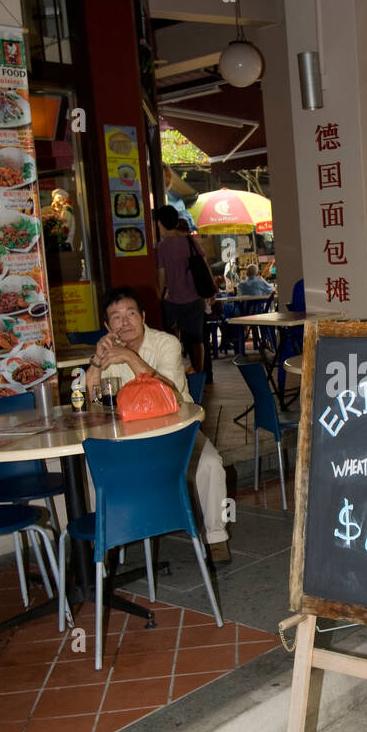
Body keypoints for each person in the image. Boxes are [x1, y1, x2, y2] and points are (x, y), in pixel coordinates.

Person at [85, 288, 231, 562]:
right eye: (116, 317)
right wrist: (96, 361)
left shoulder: (167, 344)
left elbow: (170, 393)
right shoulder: (108, 350)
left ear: (143, 316)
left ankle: (216, 537)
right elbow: (90, 400)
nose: (125, 322)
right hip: (129, 437)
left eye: (130, 314)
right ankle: (106, 540)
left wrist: (129, 357)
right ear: (107, 326)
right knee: (93, 466)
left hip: (177, 431)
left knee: (211, 464)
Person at [154, 205, 213, 374]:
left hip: (173, 301)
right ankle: (199, 373)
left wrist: (158, 296)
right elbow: (205, 264)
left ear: (160, 223)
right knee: (197, 339)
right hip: (195, 298)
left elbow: (161, 275)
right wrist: (212, 290)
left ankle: (173, 370)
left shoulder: (162, 247)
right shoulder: (189, 240)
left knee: (171, 337)